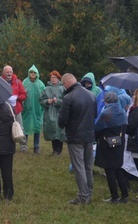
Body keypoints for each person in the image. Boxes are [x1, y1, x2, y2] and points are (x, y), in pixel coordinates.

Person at [58, 73, 96, 205]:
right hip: (90, 135)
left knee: (79, 167)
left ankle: (83, 196)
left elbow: (62, 120)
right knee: (88, 166)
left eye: (63, 84)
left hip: (75, 136)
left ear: (66, 83)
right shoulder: (91, 95)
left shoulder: (68, 98)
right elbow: (95, 114)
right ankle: (89, 192)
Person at [94, 91, 129, 203]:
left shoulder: (106, 113)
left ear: (107, 100)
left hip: (107, 143)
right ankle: (125, 195)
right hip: (119, 142)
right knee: (118, 169)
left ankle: (114, 196)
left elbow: (97, 128)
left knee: (109, 170)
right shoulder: (122, 111)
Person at [40, 70, 66, 155]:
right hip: (49, 113)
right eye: (52, 77)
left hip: (59, 112)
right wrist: (47, 101)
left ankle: (59, 150)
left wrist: (57, 101)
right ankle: (55, 150)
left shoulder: (63, 88)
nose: (53, 79)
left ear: (58, 78)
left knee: (60, 131)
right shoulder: (46, 88)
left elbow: (66, 101)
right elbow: (41, 100)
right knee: (52, 131)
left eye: (55, 77)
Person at [1, 65, 27, 148]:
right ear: (3, 73)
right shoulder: (0, 81)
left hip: (16, 109)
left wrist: (17, 98)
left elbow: (24, 95)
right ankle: (8, 145)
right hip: (4, 109)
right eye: (7, 72)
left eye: (10, 72)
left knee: (20, 127)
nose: (9, 74)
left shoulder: (18, 82)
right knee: (6, 128)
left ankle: (23, 146)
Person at [21, 65, 45, 154]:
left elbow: (44, 96)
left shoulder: (41, 84)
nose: (32, 74)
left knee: (37, 127)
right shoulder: (24, 83)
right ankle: (24, 145)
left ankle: (36, 147)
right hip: (26, 109)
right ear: (28, 73)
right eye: (31, 72)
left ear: (37, 74)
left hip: (37, 109)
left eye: (34, 72)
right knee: (25, 127)